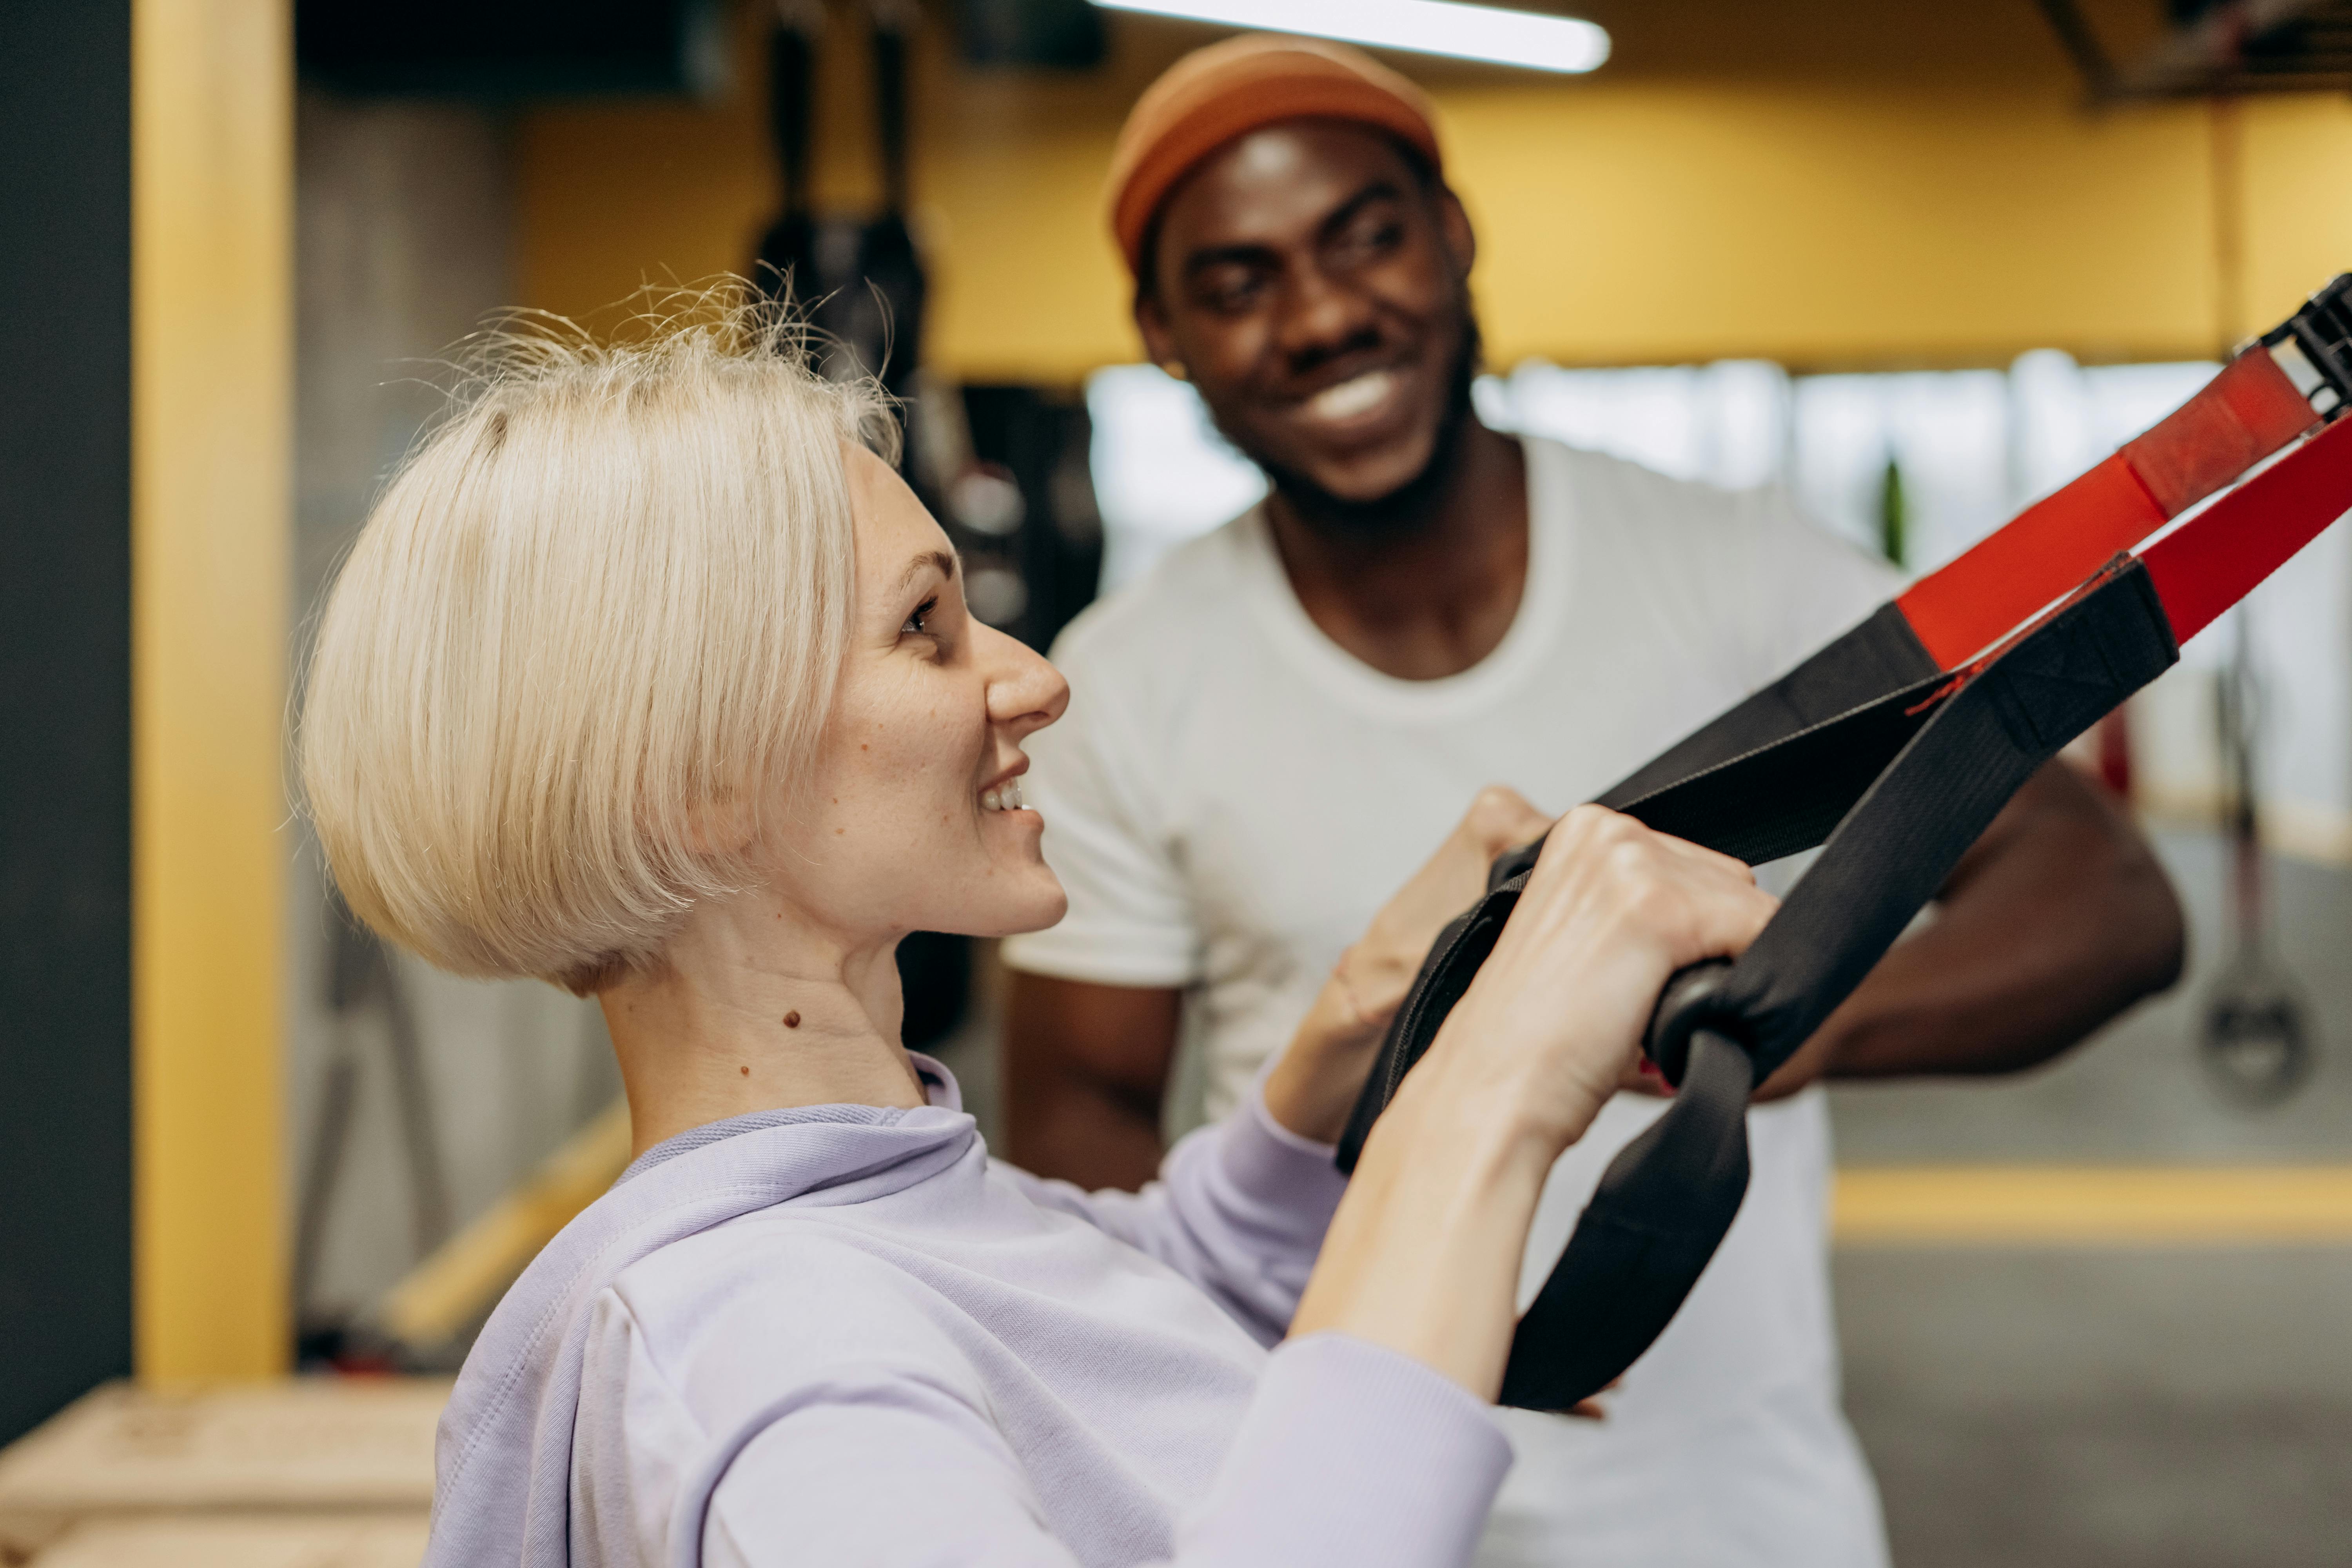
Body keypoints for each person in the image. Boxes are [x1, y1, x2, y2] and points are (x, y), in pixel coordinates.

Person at [297, 298, 1791, 1568]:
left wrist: (1370, 1011)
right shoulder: (778, 1356)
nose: (1031, 679)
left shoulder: (884, 1213)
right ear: (698, 781)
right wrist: (1490, 1102)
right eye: (925, 629)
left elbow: (1107, 1311)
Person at [1000, 34, 2186, 1567]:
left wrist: (1778, 1023)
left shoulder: (1747, 575)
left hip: (1739, 1515)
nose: (1323, 314)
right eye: (1237, 283)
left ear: (1454, 234)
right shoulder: (1125, 685)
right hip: (1339, 1503)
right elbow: (1082, 1133)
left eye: (1368, 237)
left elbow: (2107, 900)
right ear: (1163, 335)